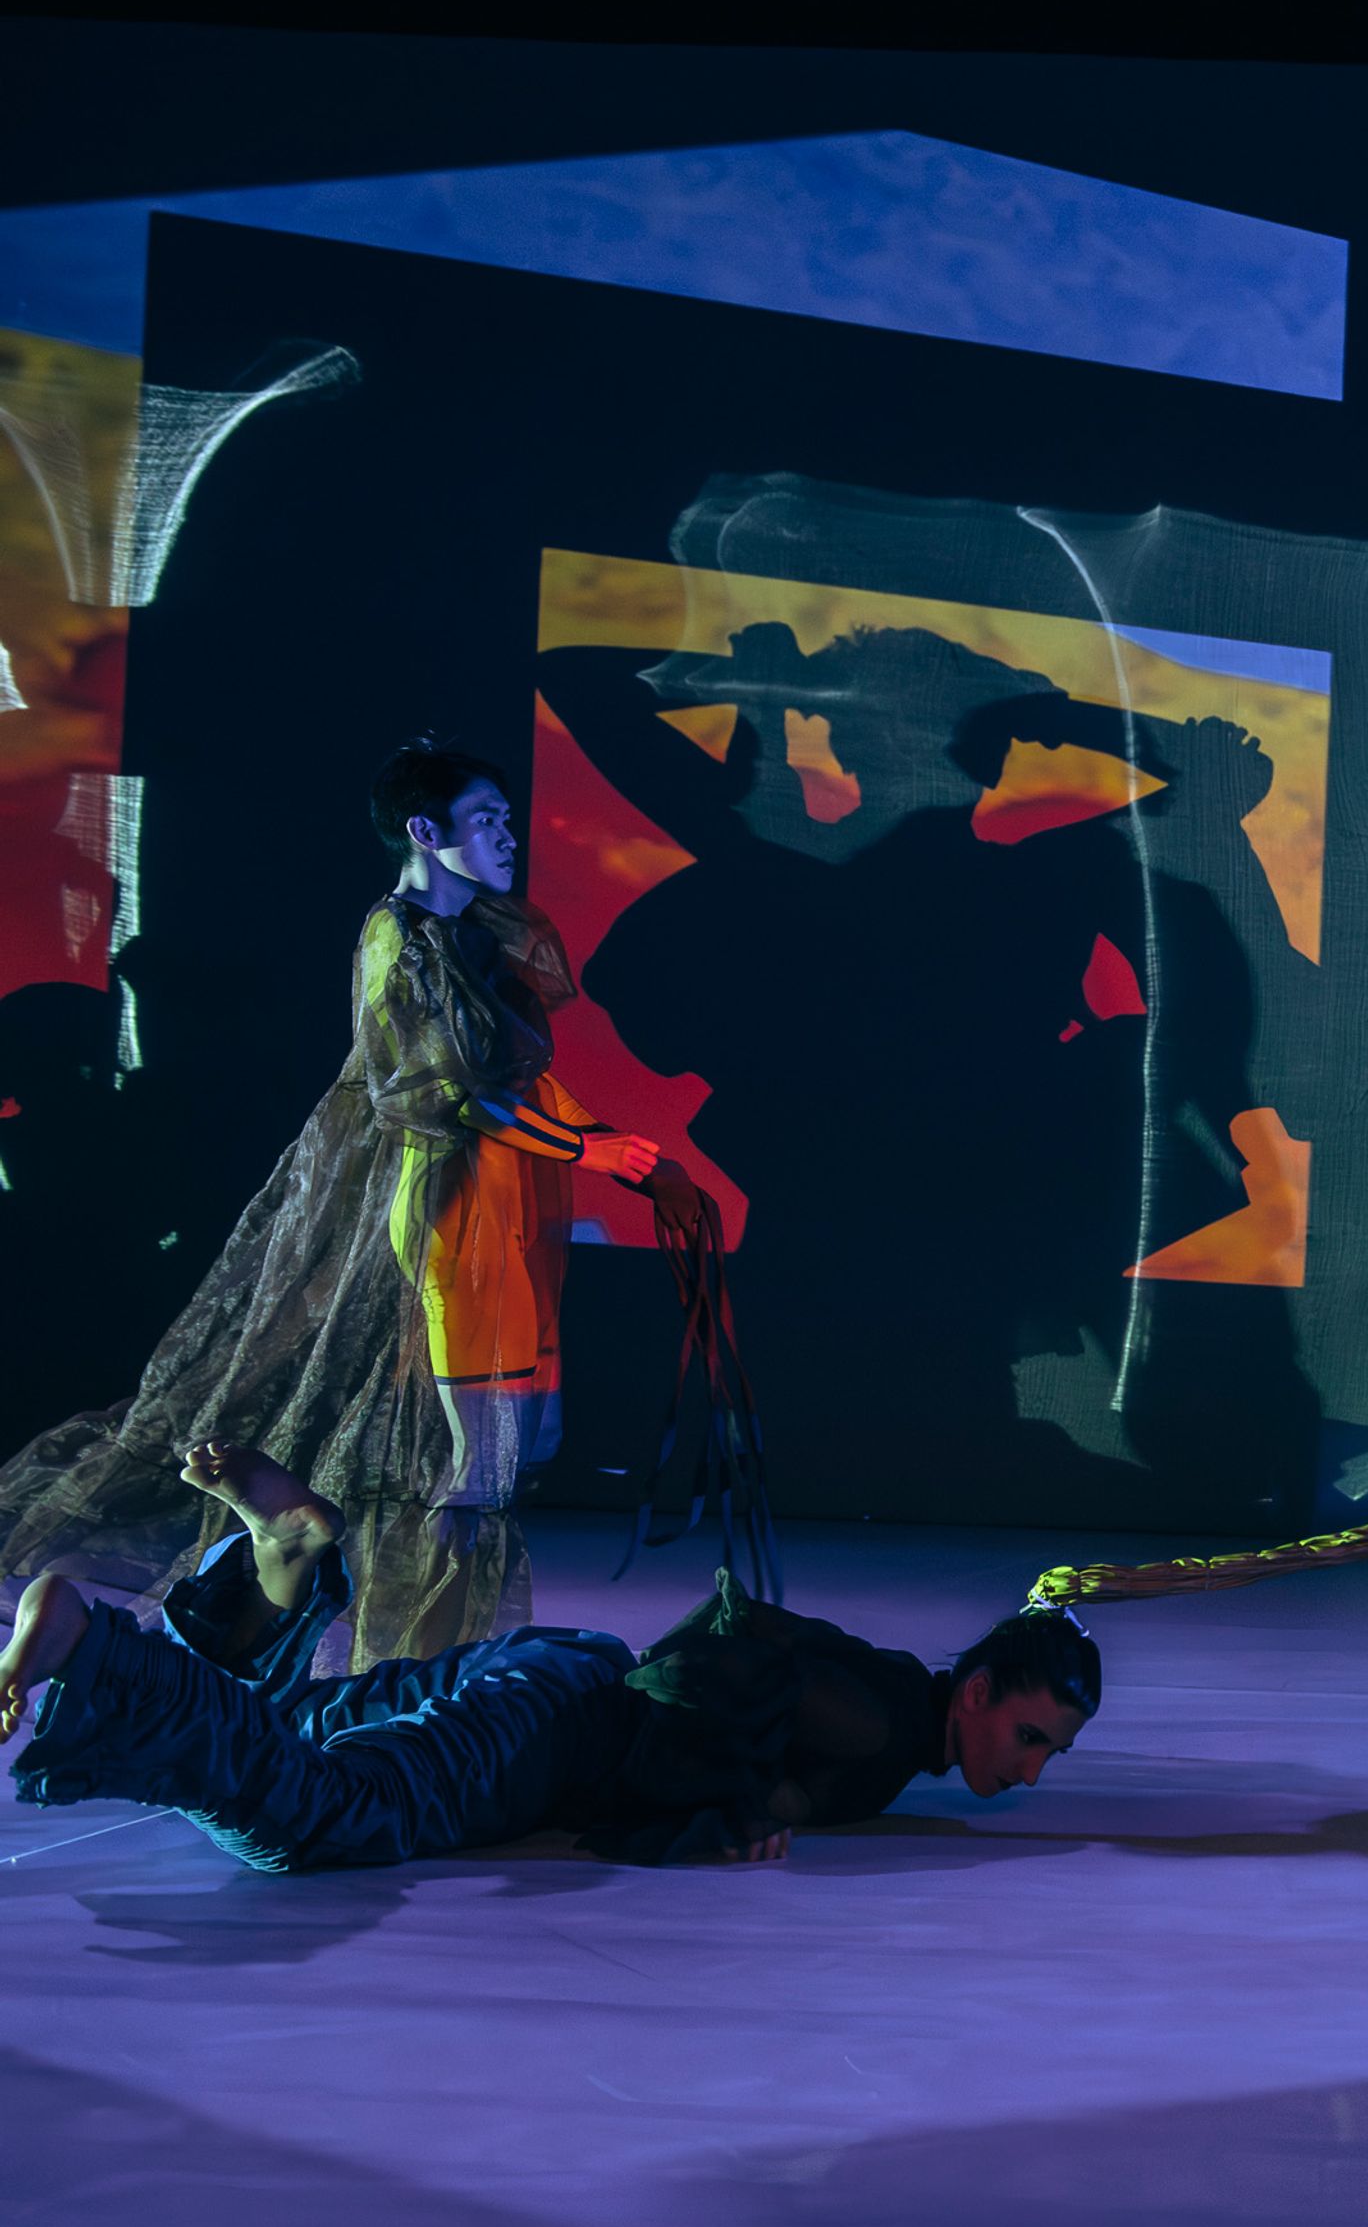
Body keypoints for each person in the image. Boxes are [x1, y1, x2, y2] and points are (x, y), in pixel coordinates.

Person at [0, 742, 663, 1660]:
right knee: (471, 1459)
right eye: (487, 821)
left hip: (508, 1199)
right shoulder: (398, 936)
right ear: (426, 832)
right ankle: (409, 1659)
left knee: (516, 1444)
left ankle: (439, 1653)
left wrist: (616, 1153)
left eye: (508, 820)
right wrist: (593, 1150)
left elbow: (523, 1076)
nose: (509, 837)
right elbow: (447, 1092)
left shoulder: (483, 931)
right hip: (450, 1202)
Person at [0, 1440, 1093, 1872]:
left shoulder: (905, 1718)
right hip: (557, 1720)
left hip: (549, 1680)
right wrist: (735, 1805)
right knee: (328, 1817)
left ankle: (285, 1561)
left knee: (294, 1729)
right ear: (982, 1690)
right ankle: (96, 1645)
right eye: (1032, 1735)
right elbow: (734, 1646)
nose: (1031, 1768)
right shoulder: (888, 1723)